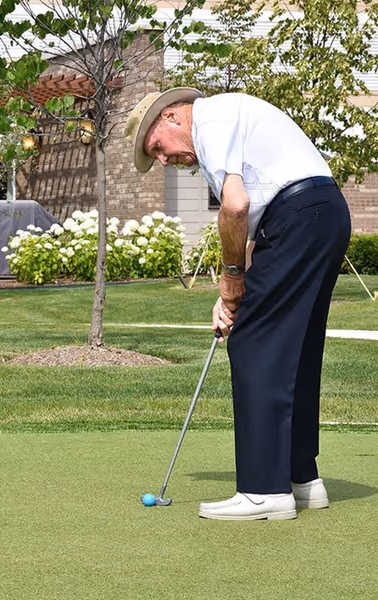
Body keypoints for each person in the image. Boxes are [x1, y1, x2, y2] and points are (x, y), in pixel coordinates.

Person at [125, 88, 351, 520]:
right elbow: (250, 223)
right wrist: (234, 292)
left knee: (252, 344)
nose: (163, 160)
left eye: (157, 147)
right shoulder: (227, 117)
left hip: (299, 217)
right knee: (295, 349)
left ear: (171, 116)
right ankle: (302, 480)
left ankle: (265, 489)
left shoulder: (209, 122)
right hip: (322, 212)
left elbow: (235, 206)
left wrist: (231, 283)